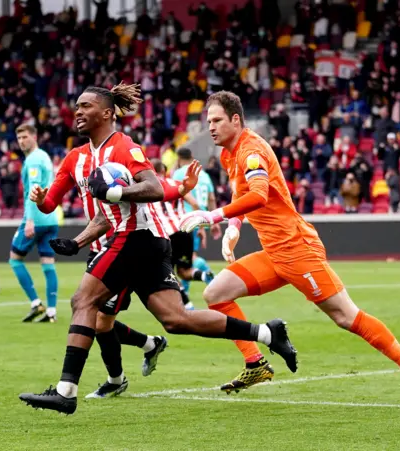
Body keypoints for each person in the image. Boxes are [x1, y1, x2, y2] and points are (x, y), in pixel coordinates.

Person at [19, 84, 297, 414]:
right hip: (140, 242)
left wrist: (116, 194)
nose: (77, 111)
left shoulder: (123, 147)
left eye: (85, 106)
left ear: (107, 113)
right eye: (76, 106)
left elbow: (151, 187)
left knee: (83, 301)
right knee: (176, 320)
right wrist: (54, 214)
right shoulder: (78, 158)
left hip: (135, 239)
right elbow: (74, 209)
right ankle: (267, 333)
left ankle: (67, 391)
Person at [179, 91, 400, 406]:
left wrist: (213, 216)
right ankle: (255, 363)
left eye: (216, 120)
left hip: (297, 249)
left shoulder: (252, 151)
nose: (211, 127)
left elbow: (258, 194)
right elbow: (243, 196)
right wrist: (233, 228)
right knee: (215, 294)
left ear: (235, 120)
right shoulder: (231, 153)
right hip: (273, 253)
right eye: (208, 121)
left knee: (345, 316)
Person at [10, 125, 60, 323]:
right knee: (48, 263)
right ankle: (52, 312)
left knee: (15, 259)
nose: (21, 141)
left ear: (34, 137)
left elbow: (34, 188)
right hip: (51, 218)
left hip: (36, 218)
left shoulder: (32, 160)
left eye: (25, 137)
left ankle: (36, 303)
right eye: (19, 138)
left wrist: (29, 220)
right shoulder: (45, 157)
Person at [151, 158, 206, 310]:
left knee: (167, 271)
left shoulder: (148, 186)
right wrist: (201, 227)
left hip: (168, 234)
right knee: (184, 271)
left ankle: (187, 305)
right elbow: (194, 204)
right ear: (164, 170)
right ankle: (204, 275)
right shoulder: (175, 183)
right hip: (185, 230)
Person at [171, 147, 219, 304]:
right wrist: (213, 222)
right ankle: (189, 292)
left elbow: (173, 194)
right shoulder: (204, 175)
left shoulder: (179, 174)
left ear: (178, 158)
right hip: (202, 219)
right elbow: (211, 199)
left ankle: (205, 280)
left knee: (187, 261)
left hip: (184, 221)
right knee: (188, 261)